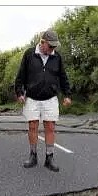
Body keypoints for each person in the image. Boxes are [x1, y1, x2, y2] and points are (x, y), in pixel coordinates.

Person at [15, 29, 72, 172]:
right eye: (50, 46)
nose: (53, 49)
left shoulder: (57, 57)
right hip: (32, 98)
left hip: (51, 98)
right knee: (33, 126)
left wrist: (67, 94)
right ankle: (33, 155)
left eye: (54, 46)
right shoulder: (29, 54)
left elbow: (63, 77)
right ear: (43, 42)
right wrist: (19, 92)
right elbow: (21, 74)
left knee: (50, 127)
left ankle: (49, 158)